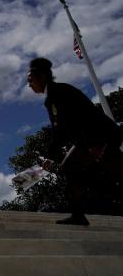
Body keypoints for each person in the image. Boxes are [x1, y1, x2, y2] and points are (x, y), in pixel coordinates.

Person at [27, 57, 123, 226]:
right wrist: (50, 156)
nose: (29, 84)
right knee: (70, 168)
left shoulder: (61, 92)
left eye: (30, 79)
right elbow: (59, 132)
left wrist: (95, 144)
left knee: (118, 172)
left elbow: (85, 118)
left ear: (41, 76)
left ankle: (78, 214)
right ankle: (78, 215)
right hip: (87, 141)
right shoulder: (51, 99)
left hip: (101, 136)